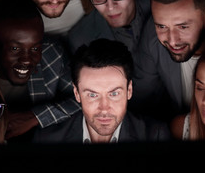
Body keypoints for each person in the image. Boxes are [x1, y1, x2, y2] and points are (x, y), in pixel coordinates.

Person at [0, 0, 81, 142]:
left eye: (34, 48)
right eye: (15, 48)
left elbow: (83, 98)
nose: (26, 59)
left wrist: (36, 117)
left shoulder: (52, 55)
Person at [33, 39, 170, 143]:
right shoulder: (47, 138)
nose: (104, 108)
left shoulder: (156, 135)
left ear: (129, 90)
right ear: (77, 93)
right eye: (92, 95)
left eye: (114, 94)